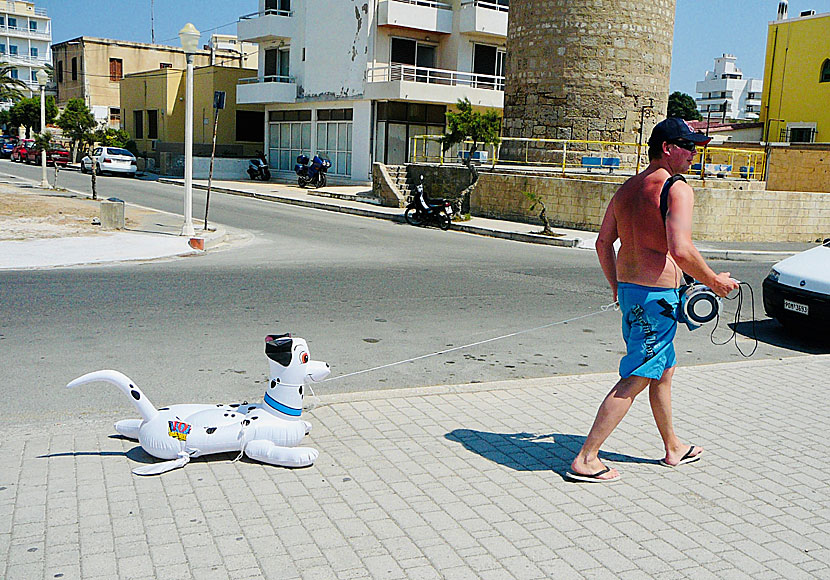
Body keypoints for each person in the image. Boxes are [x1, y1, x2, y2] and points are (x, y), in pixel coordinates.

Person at [567, 117, 739, 483]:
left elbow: (603, 243)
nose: (694, 154)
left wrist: (616, 286)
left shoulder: (627, 189)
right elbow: (680, 248)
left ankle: (672, 447)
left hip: (633, 292)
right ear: (667, 148)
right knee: (638, 375)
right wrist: (714, 281)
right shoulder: (676, 188)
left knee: (662, 370)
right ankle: (587, 457)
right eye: (688, 146)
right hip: (656, 298)